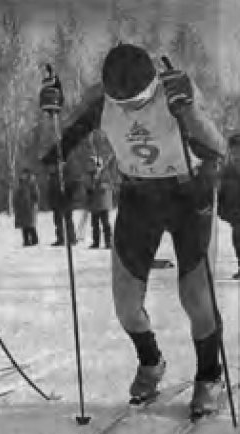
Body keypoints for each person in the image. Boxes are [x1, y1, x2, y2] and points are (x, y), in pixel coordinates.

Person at [38, 43, 227, 414]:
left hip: (188, 196)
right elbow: (54, 153)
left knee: (196, 297)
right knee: (125, 304)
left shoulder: (177, 88)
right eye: (119, 102)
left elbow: (217, 149)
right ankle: (151, 361)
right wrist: (50, 116)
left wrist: (188, 111)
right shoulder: (103, 102)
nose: (127, 108)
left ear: (153, 83)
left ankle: (209, 375)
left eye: (136, 101)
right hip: (139, 199)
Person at [218, 133, 240, 279]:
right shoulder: (226, 169)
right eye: (234, 151)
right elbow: (220, 188)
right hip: (235, 210)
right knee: (238, 236)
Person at [86, 156, 114, 249]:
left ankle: (108, 242)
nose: (90, 166)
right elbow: (88, 187)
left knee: (105, 224)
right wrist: (90, 189)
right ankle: (96, 242)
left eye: (92, 164)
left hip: (103, 203)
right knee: (94, 224)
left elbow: (108, 185)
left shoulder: (104, 173)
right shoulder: (90, 175)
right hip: (94, 204)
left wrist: (98, 185)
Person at [13, 169, 40, 247]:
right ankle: (26, 241)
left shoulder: (32, 183)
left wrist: (33, 203)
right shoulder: (20, 183)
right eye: (22, 174)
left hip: (29, 207)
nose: (23, 176)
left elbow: (36, 195)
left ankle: (34, 240)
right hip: (21, 208)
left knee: (30, 225)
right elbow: (17, 194)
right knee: (23, 225)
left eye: (24, 174)